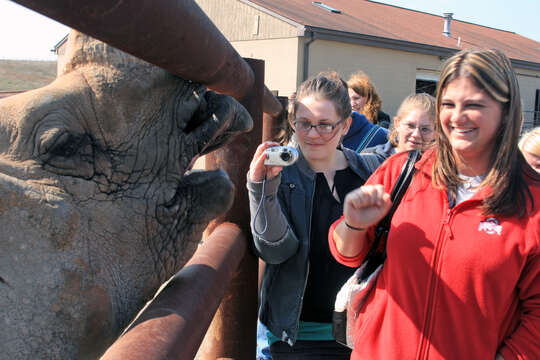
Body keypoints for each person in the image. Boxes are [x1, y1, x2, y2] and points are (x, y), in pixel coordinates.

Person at [328, 49, 540, 359]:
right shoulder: (402, 171)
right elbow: (346, 254)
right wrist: (353, 225)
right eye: (449, 104)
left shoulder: (532, 202)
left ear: (506, 112)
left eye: (474, 105)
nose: (457, 117)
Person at [248, 71, 381, 359]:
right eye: (304, 124)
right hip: (297, 335)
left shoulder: (370, 172)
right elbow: (274, 250)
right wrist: (262, 188)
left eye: (324, 125)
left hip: (360, 331)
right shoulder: (280, 174)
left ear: (346, 125)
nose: (312, 134)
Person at [362, 93, 436, 163]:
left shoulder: (439, 170)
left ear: (436, 133)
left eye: (425, 129)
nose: (416, 134)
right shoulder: (369, 161)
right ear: (397, 124)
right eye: (410, 126)